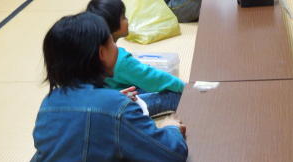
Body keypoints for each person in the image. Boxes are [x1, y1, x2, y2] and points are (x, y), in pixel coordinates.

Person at [32, 12, 188, 161]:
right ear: (102, 53)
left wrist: (114, 103)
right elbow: (172, 153)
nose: (116, 47)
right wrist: (170, 128)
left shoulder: (48, 102)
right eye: (112, 42)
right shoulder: (116, 106)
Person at [86, 0, 185, 116]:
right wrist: (185, 88)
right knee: (175, 96)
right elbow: (152, 77)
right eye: (123, 17)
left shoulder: (90, 48)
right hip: (117, 106)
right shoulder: (119, 59)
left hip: (106, 97)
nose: (127, 20)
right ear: (113, 25)